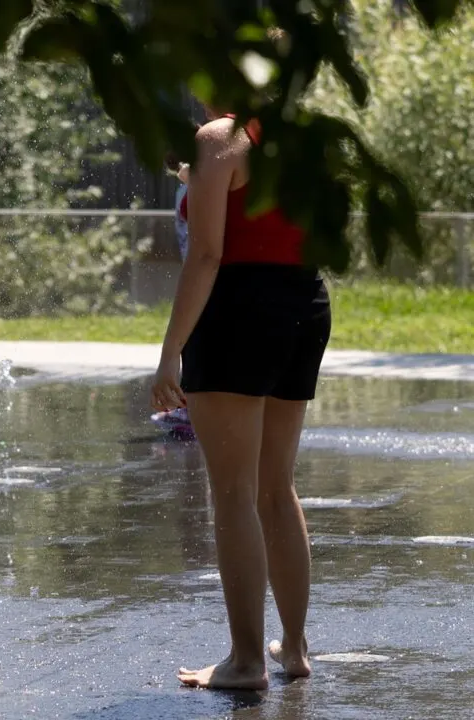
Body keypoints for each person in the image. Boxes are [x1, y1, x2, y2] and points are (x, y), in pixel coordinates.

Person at [149, 107, 332, 690]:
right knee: (277, 488)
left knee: (233, 493)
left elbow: (206, 254)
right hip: (304, 302)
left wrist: (170, 349)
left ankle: (246, 661)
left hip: (238, 310)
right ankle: (294, 649)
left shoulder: (219, 138)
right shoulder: (298, 136)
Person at [150, 157, 195, 440]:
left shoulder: (194, 184)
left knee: (194, 339)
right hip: (199, 269)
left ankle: (191, 409)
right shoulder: (187, 186)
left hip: (204, 272)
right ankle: (189, 406)